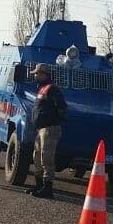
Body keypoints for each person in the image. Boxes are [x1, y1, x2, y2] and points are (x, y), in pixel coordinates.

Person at [28, 63, 66, 198]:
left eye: (37, 74)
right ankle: (38, 186)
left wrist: (53, 120)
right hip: (41, 129)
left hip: (50, 128)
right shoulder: (42, 88)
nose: (35, 76)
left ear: (44, 74)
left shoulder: (52, 89)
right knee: (37, 157)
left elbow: (62, 108)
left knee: (47, 158)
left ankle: (47, 188)